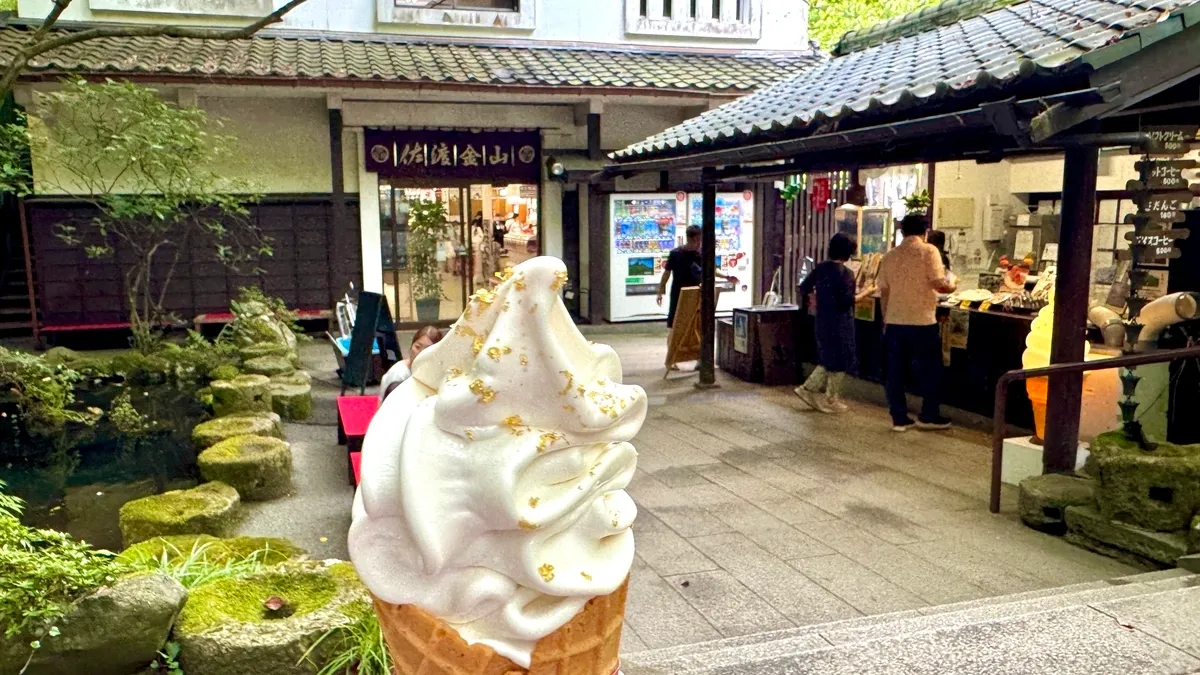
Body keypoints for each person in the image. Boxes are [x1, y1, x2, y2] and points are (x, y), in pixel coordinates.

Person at [877, 214, 957, 432]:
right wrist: (953, 284)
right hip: (922, 320)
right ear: (926, 231)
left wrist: (886, 318)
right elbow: (938, 284)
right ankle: (928, 415)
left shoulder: (889, 256)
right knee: (929, 370)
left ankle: (899, 418)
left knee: (894, 372)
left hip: (894, 321)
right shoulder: (929, 251)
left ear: (902, 231)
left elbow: (884, 291)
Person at [794, 233, 875, 413]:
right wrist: (867, 292)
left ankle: (826, 396)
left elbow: (804, 287)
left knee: (829, 356)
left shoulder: (822, 267)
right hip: (840, 322)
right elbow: (846, 301)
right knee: (841, 358)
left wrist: (815, 298)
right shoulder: (847, 273)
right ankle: (817, 392)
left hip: (822, 319)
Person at [656, 225, 738, 365]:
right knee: (675, 325)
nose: (700, 242)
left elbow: (712, 269)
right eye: (698, 239)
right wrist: (660, 291)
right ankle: (672, 359)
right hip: (679, 294)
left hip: (698, 294)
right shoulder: (676, 254)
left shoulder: (702, 254)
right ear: (691, 238)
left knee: (698, 325)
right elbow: (667, 273)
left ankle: (700, 359)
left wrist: (727, 277)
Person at [379, 326, 441, 401]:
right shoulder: (398, 375)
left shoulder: (436, 371)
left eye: (427, 349)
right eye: (417, 347)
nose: (420, 353)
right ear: (411, 347)